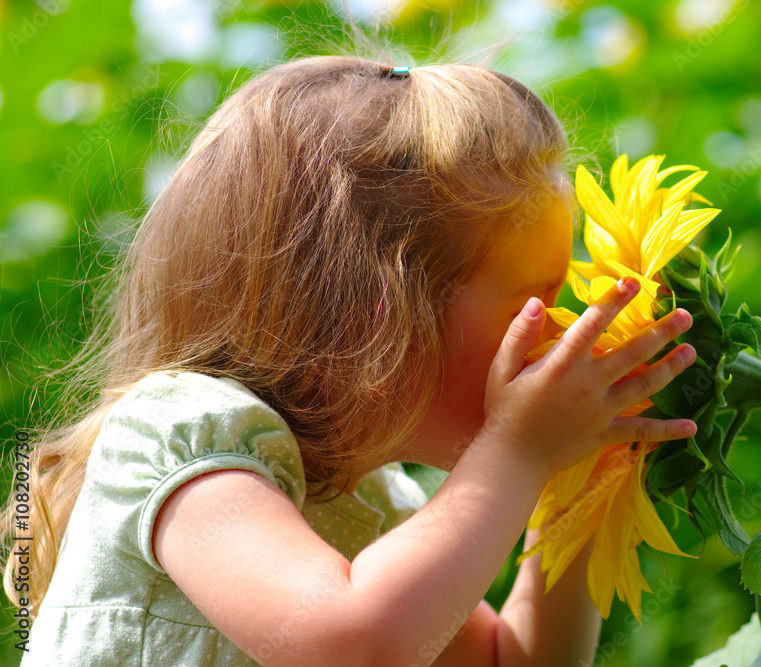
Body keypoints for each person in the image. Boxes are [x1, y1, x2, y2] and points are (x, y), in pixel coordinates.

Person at [1, 55, 697, 666]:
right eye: (534, 301)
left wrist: (583, 482)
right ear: (382, 316)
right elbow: (352, 646)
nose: (565, 333)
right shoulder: (183, 435)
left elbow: (509, 661)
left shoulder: (373, 503)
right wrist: (517, 450)